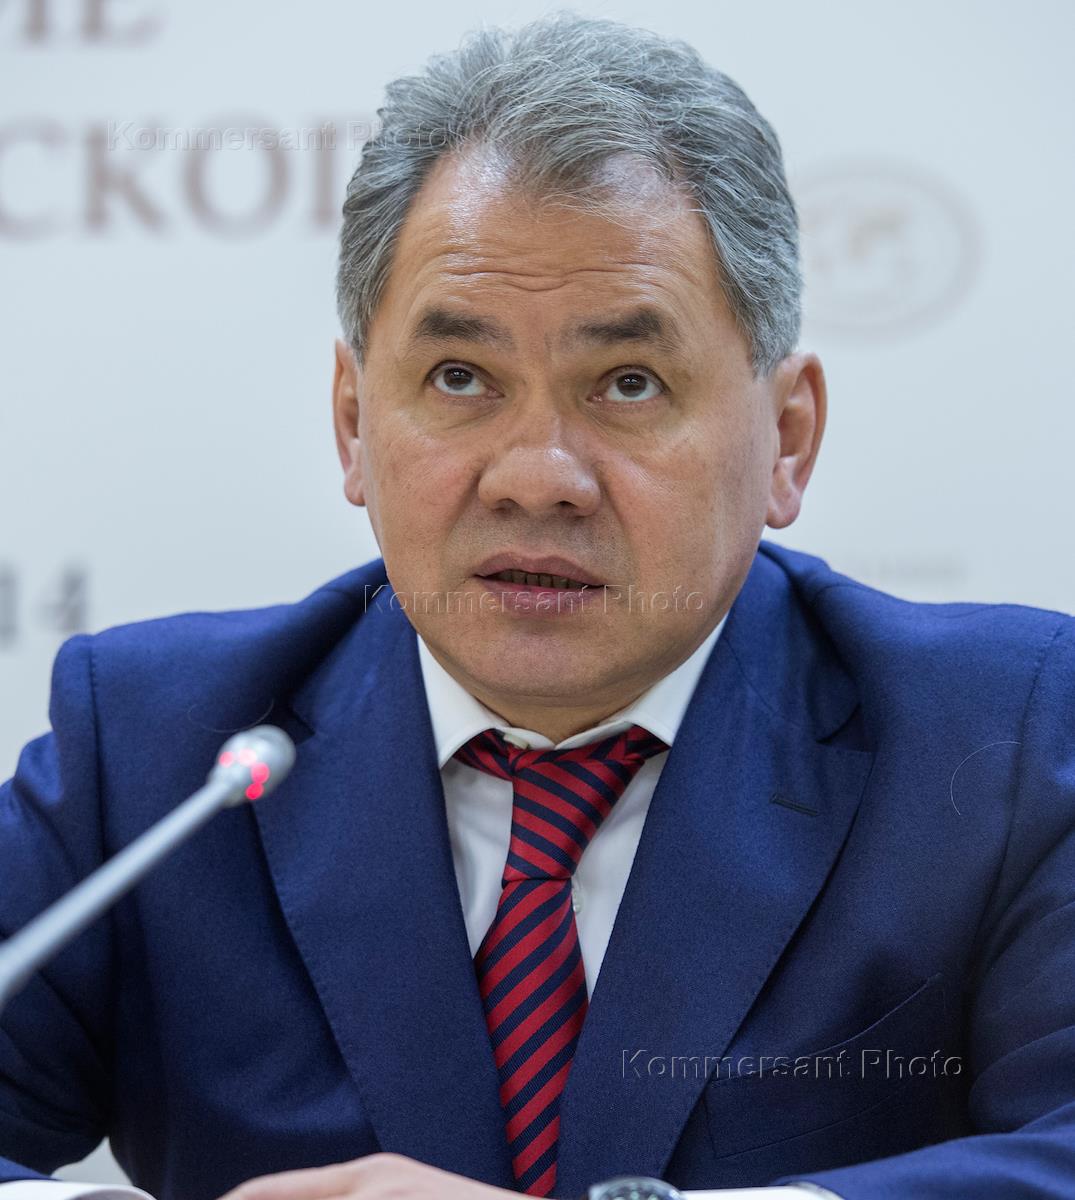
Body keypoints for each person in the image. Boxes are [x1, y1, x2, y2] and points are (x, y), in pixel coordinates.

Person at [1, 11, 1073, 1200]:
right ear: (353, 422)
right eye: (459, 377)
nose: (536, 476)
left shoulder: (999, 743)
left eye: (629, 383)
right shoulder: (158, 755)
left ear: (787, 437)